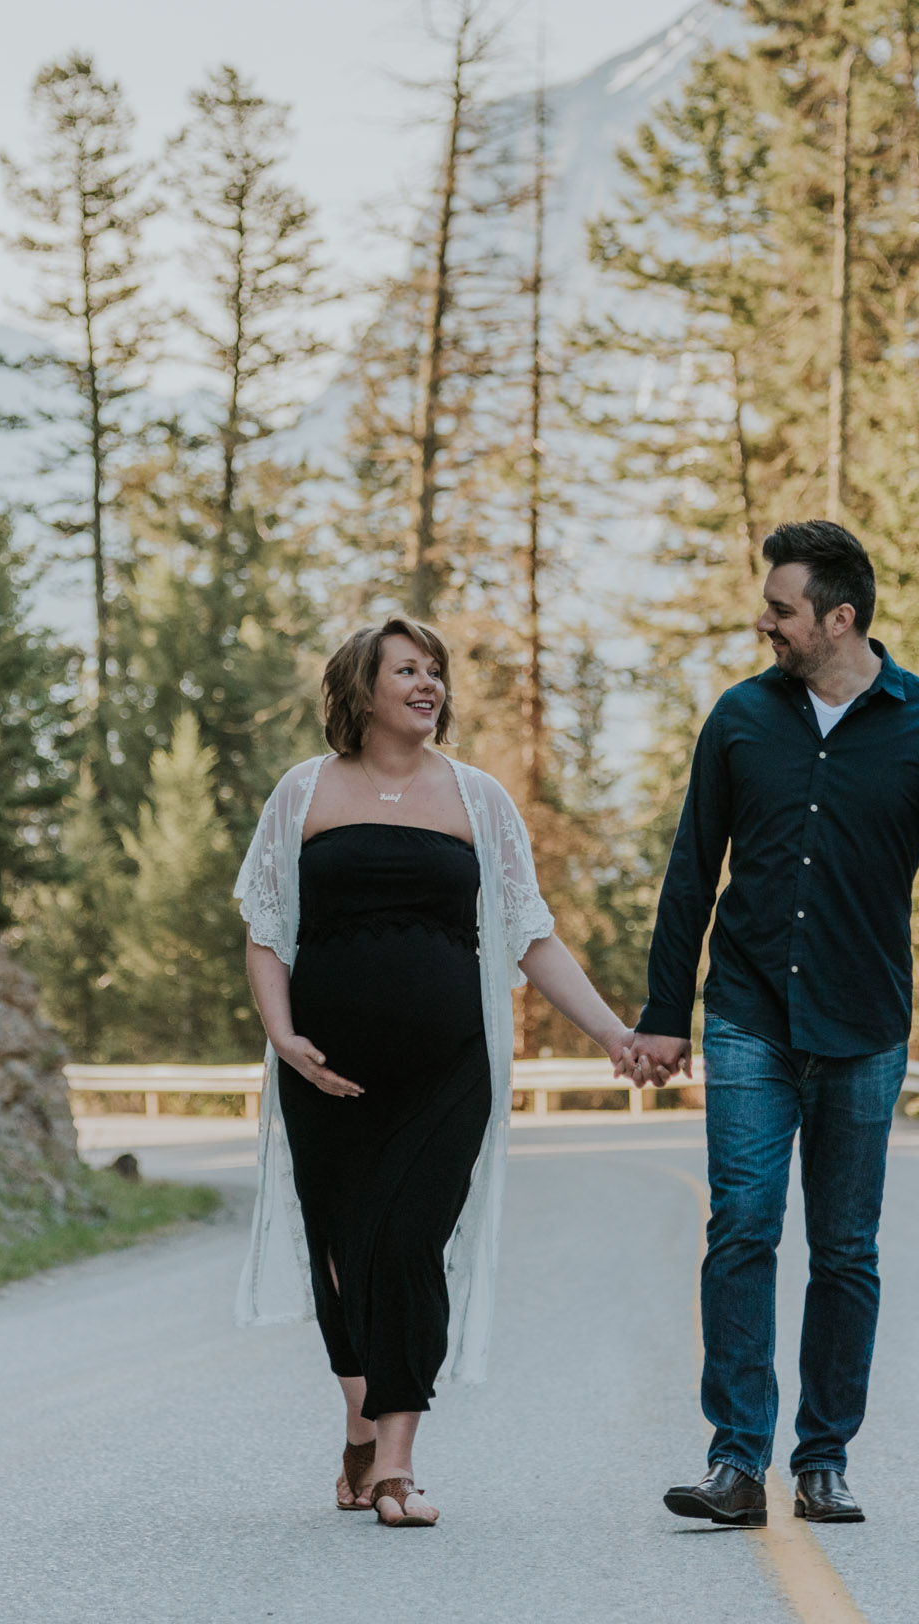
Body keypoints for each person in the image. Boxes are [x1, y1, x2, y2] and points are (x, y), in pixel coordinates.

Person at [633, 521, 919, 1527]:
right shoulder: (737, 719)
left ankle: (821, 1459)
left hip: (862, 1024)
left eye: (779, 607)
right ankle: (733, 1460)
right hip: (748, 1014)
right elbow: (690, 871)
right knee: (742, 1228)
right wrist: (662, 1012)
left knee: (845, 1247)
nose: (762, 620)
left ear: (837, 616)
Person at [235, 614, 636, 1528]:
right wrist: (285, 1037)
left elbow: (530, 934)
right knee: (342, 1249)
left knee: (409, 1242)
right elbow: (264, 931)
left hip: (447, 1069)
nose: (428, 685)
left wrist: (612, 1033)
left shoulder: (478, 799)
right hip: (324, 1071)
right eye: (407, 670)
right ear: (361, 690)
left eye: (435, 672)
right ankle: (359, 1417)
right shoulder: (302, 794)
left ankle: (397, 1467)